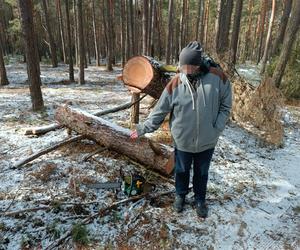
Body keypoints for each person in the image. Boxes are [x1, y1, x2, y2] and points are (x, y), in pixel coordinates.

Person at [130, 41, 232, 218]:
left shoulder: (218, 78)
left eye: (190, 66)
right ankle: (180, 195)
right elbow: (159, 111)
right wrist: (142, 128)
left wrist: (217, 127)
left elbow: (226, 105)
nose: (186, 70)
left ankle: (200, 199)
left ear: (198, 64)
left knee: (202, 172)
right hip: (182, 140)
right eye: (183, 66)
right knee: (182, 170)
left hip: (207, 139)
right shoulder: (175, 83)